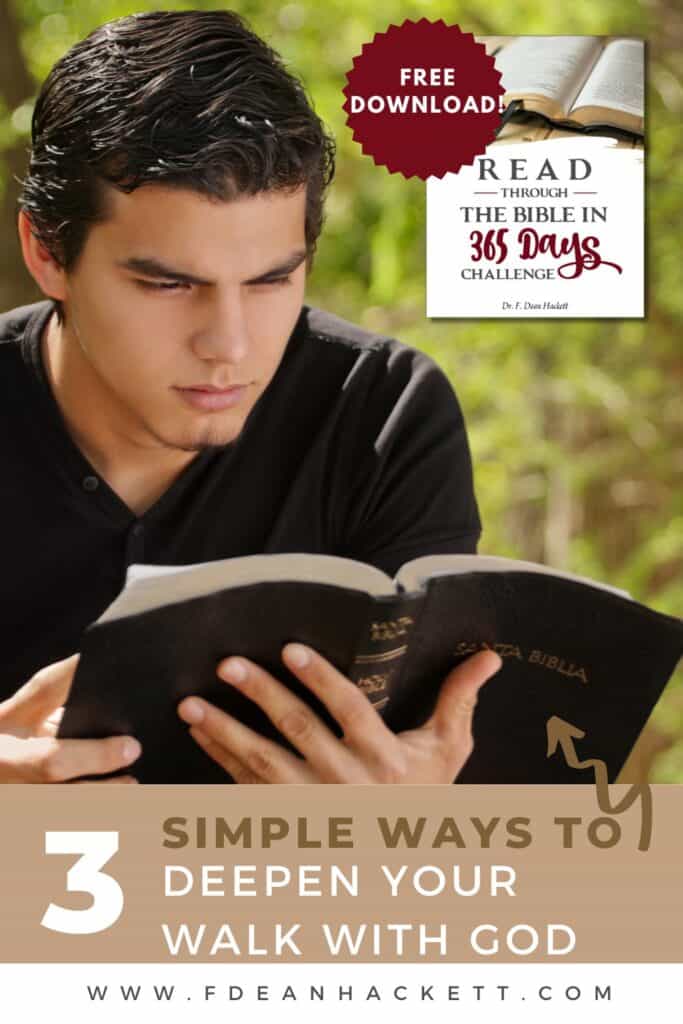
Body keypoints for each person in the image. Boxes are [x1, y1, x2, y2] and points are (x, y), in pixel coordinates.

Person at [0, 9, 500, 785]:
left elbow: (432, 770)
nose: (230, 346)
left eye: (271, 281)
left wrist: (405, 825)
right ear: (46, 252)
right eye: (168, 284)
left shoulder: (383, 415)